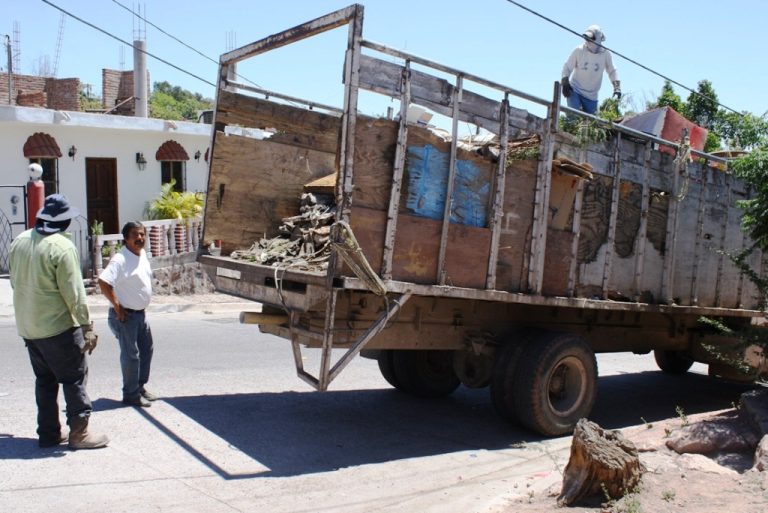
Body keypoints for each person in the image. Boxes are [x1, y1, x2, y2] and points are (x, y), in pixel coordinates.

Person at [9, 193, 109, 450]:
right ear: (64, 224)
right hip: (58, 328)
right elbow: (74, 293)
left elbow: (14, 282)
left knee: (45, 380)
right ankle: (79, 433)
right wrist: (86, 326)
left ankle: (49, 433)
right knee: (74, 378)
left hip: (29, 328)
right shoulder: (62, 248)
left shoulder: (19, 240)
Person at [98, 221, 156, 408]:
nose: (139, 238)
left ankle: (139, 387)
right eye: (135, 235)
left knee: (146, 350)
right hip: (125, 316)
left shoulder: (142, 255)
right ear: (125, 238)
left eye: (142, 234)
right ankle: (130, 394)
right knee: (131, 355)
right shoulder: (120, 259)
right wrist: (117, 307)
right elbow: (104, 281)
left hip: (140, 315)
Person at [561, 25, 621, 115]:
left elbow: (612, 71)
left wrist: (617, 87)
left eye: (591, 38)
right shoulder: (579, 50)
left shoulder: (605, 54)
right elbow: (567, 67)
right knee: (572, 118)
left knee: (591, 124)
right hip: (575, 90)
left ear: (598, 39)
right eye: (586, 38)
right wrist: (565, 81)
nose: (588, 41)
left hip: (592, 96)